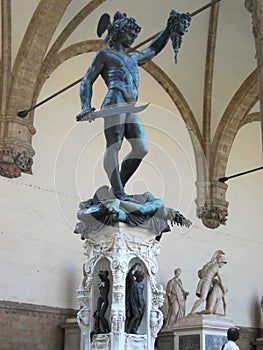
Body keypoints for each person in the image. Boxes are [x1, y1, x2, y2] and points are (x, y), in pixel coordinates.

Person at [76, 11, 191, 200]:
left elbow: (153, 49)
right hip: (115, 101)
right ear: (118, 33)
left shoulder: (133, 59)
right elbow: (87, 80)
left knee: (141, 148)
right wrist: (85, 106)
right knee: (114, 145)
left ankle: (116, 189)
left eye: (134, 35)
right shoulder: (104, 55)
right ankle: (119, 192)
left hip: (129, 106)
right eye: (129, 33)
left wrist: (169, 29)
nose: (133, 38)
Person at [190, 250, 227, 314]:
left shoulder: (210, 264)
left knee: (206, 301)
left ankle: (196, 313)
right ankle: (192, 312)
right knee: (203, 298)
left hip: (207, 282)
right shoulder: (216, 268)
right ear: (220, 262)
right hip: (206, 282)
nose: (223, 265)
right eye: (223, 263)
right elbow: (220, 280)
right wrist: (224, 290)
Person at [125, 261, 146, 333]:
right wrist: (135, 265)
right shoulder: (133, 282)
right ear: (137, 277)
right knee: (135, 315)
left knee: (139, 317)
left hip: (141, 302)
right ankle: (128, 330)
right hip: (133, 301)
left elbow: (141, 294)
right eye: (141, 277)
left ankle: (134, 329)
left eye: (143, 277)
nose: (142, 278)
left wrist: (142, 303)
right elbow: (129, 273)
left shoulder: (142, 285)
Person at [92, 270, 110, 335]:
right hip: (100, 299)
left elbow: (102, 275)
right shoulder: (101, 281)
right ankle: (98, 329)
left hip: (104, 300)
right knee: (97, 315)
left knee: (101, 316)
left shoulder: (107, 281)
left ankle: (107, 330)